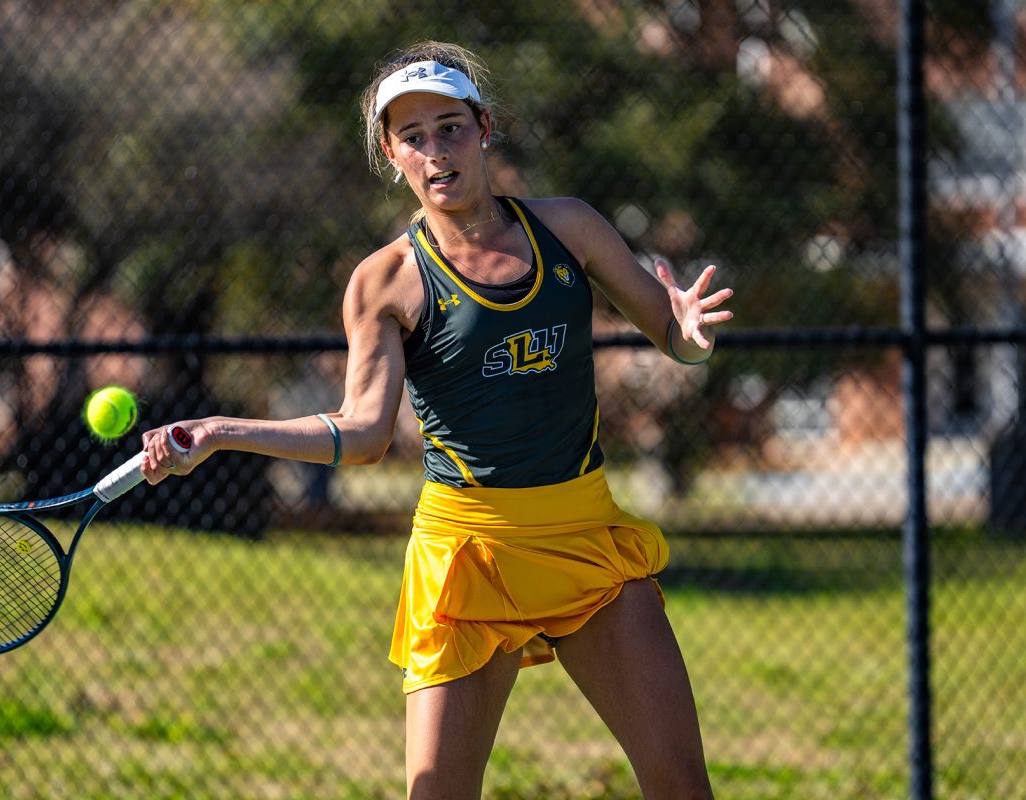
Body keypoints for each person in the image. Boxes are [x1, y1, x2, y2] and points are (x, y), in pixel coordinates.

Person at [140, 40, 731, 800]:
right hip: (466, 552)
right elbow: (362, 433)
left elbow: (675, 343)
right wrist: (224, 433)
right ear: (391, 153)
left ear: (484, 129)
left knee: (684, 787)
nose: (435, 150)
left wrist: (688, 337)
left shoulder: (570, 229)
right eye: (412, 136)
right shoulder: (384, 281)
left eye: (449, 127)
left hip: (584, 536)